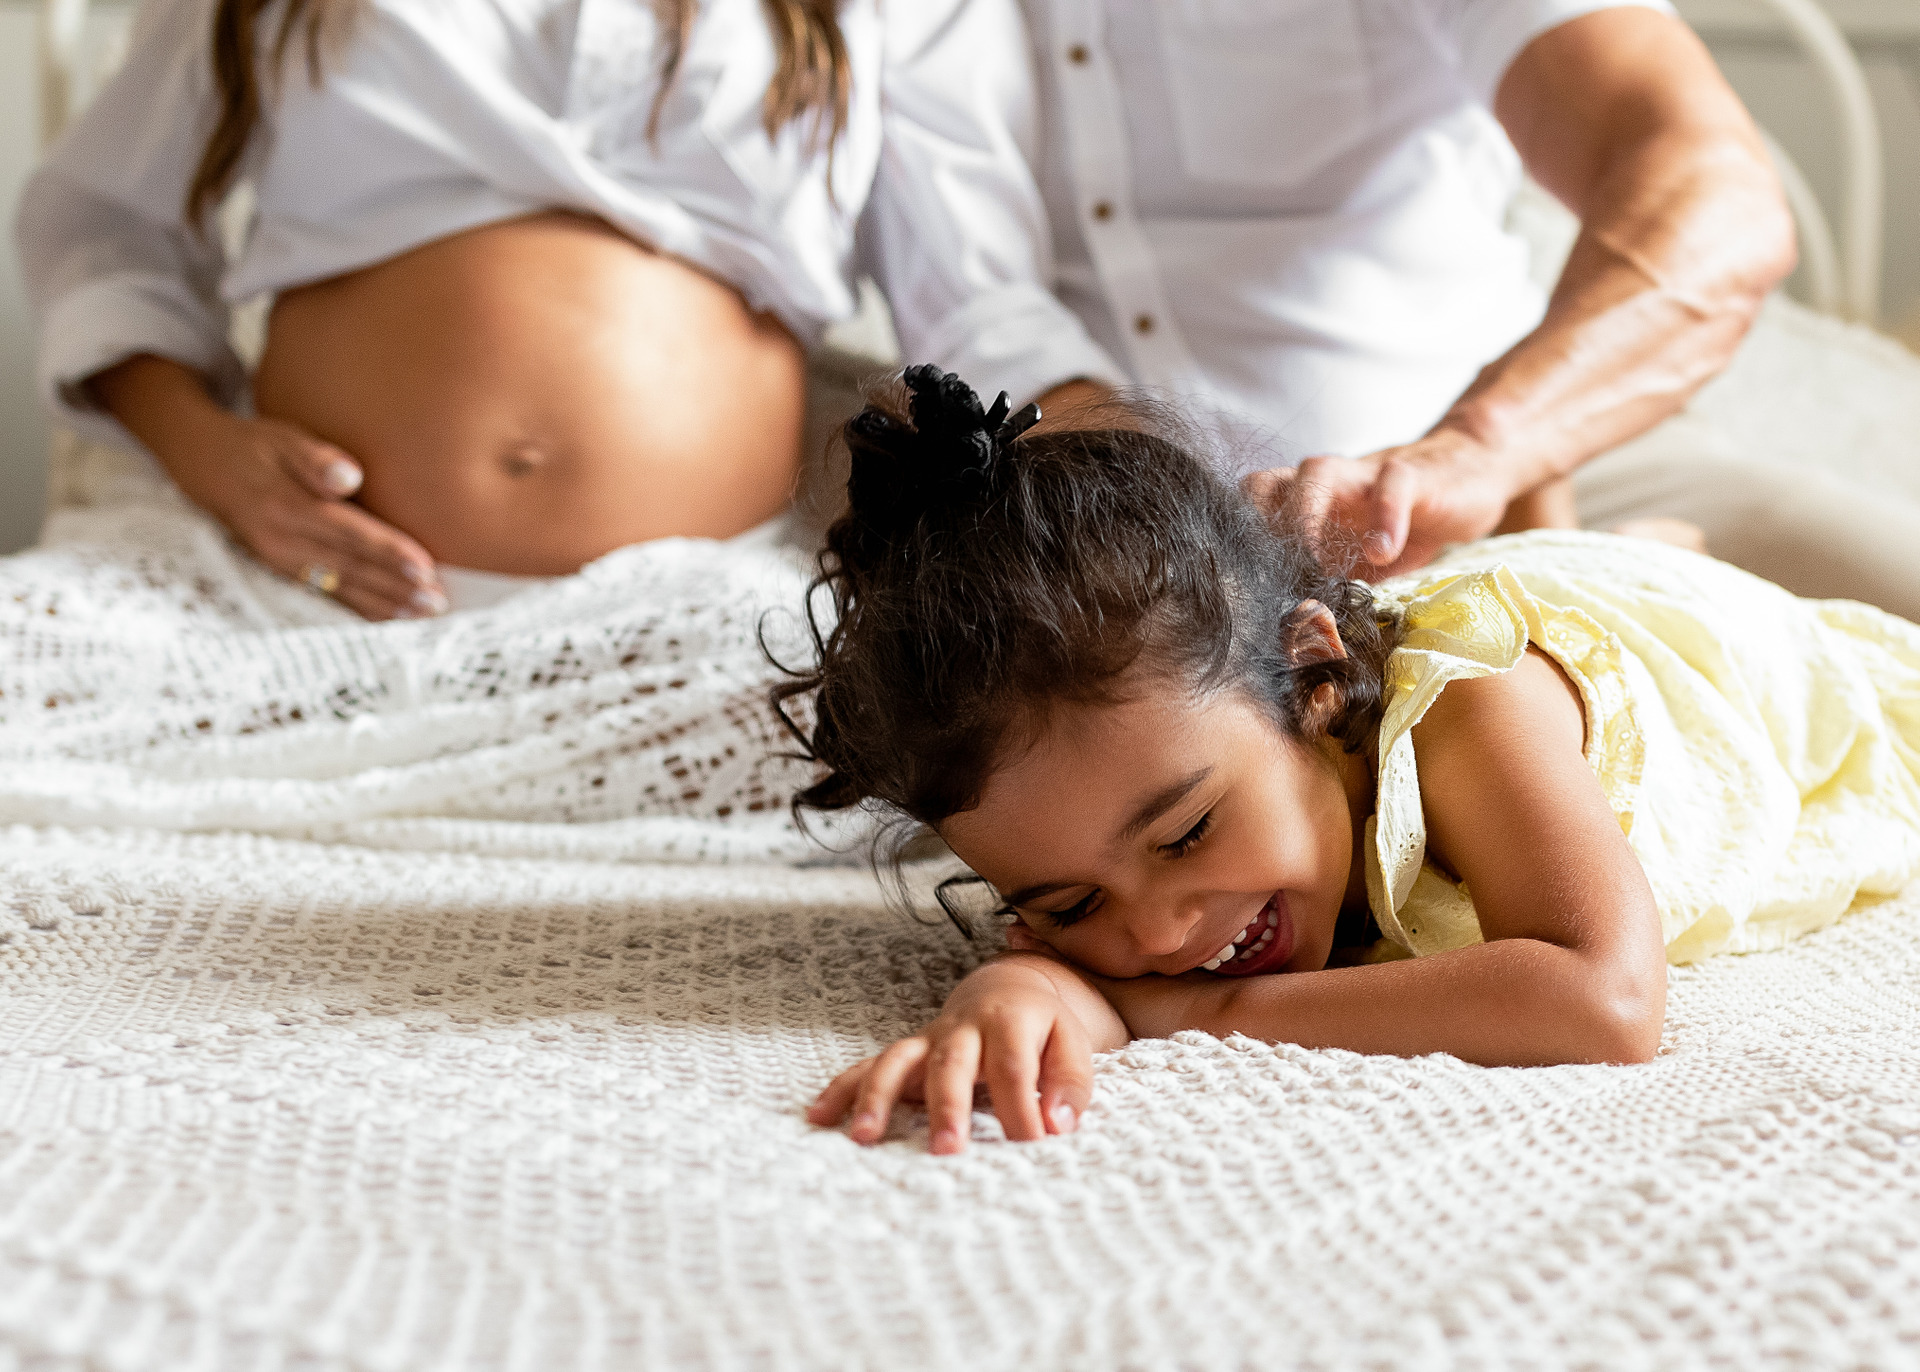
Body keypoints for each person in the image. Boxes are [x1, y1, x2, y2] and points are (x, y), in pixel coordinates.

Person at [795, 368, 1920, 1154]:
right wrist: (1027, 983)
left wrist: (1192, 1016)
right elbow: (1098, 970)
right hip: (1428, 609)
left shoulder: (1472, 715)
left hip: (1727, 653)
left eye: (1186, 834)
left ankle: (1639, 547)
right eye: (1071, 901)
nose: (1156, 936)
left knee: (1633, 603)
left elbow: (1604, 1001)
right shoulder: (1121, 811)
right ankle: (1593, 539)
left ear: (1313, 685)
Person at [16, 0, 1108, 619]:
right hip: (277, 586)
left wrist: (1172, 470)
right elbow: (104, 230)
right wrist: (206, 451)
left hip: (705, 615)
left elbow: (980, 312)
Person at [952, 1, 1920, 621]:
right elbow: (972, 319)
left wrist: (1476, 450)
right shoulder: (895, 29)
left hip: (1548, 457)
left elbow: (1720, 200)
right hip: (1156, 549)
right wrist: (1201, 535)